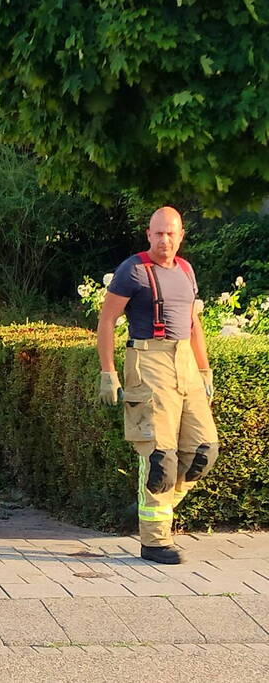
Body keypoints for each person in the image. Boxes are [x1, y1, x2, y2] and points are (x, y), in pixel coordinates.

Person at [97, 207, 218, 565]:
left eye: (171, 233)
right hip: (149, 360)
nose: (165, 240)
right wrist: (108, 372)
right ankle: (154, 541)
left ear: (181, 236)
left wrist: (204, 369)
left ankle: (152, 504)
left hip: (185, 362)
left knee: (204, 451)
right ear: (148, 235)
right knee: (159, 458)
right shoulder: (133, 270)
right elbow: (107, 321)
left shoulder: (186, 270)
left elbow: (193, 324)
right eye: (158, 233)